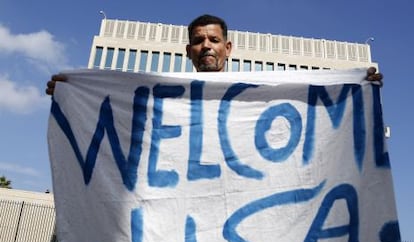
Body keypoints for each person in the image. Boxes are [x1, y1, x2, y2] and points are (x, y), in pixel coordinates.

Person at [45, 14, 383, 95]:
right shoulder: (160, 91)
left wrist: (355, 87)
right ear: (189, 50)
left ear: (228, 48)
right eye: (199, 40)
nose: (207, 45)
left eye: (214, 40)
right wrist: (72, 93)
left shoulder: (255, 91)